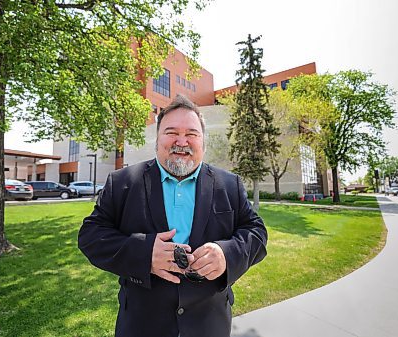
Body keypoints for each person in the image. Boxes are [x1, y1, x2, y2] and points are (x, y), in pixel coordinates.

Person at [78, 94, 268, 337]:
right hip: (141, 325)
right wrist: (143, 253)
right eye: (171, 132)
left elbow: (256, 233)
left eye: (191, 134)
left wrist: (226, 254)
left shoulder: (230, 184)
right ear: (157, 140)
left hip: (210, 325)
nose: (182, 141)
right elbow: (91, 236)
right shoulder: (122, 182)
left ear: (203, 142)